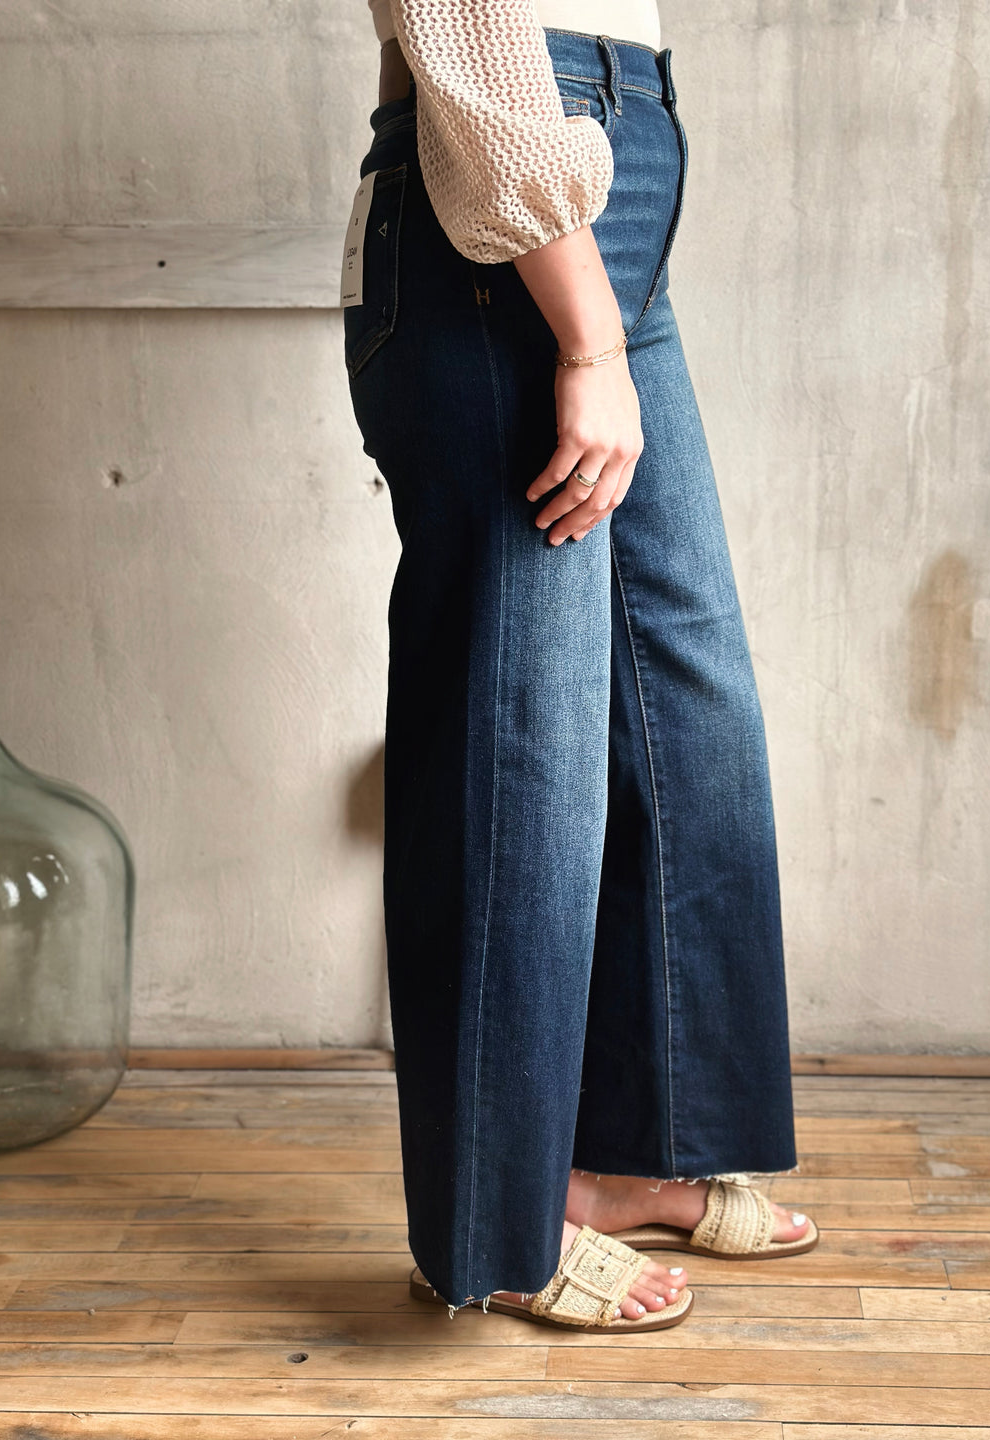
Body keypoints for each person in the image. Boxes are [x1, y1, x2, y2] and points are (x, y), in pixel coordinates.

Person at [342, 0, 818, 1333]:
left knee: (684, 702)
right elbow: (469, 34)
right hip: (497, 206)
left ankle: (624, 1154)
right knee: (525, 752)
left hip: (608, 182)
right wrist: (586, 337)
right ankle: (503, 1223)